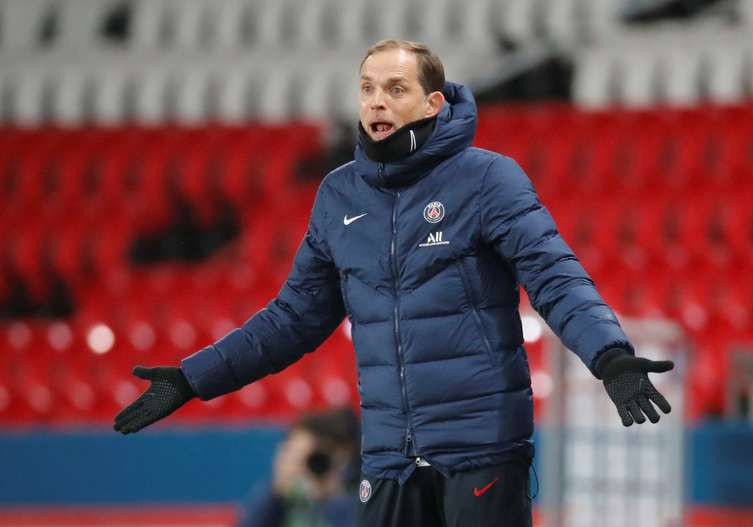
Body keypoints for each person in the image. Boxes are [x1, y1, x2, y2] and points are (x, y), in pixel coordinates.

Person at [113, 40, 674, 527]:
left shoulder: (486, 178)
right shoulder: (339, 197)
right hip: (387, 459)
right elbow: (292, 318)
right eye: (367, 88)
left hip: (480, 450)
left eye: (395, 88)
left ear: (433, 102)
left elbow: (553, 274)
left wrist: (610, 356)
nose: (377, 100)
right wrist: (193, 378)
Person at [237, 407, 359, 527]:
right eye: (296, 454)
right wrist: (276, 492)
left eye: (313, 457)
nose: (307, 465)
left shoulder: (358, 494)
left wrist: (332, 497)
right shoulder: (281, 501)